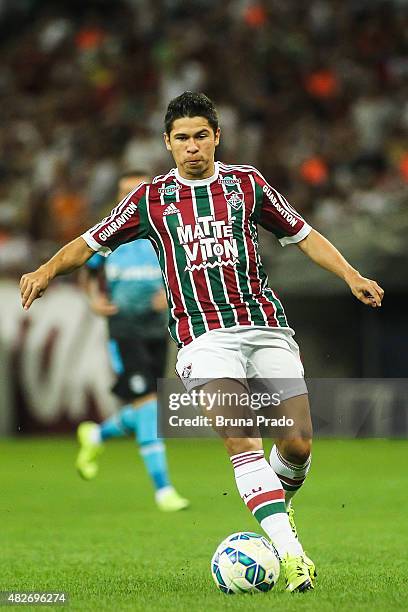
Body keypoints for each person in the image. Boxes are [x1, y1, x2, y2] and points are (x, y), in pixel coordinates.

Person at [20, 92, 384, 593]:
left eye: (200, 136)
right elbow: (88, 242)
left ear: (216, 136)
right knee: (242, 438)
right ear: (168, 144)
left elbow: (304, 234)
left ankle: (276, 511)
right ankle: (294, 555)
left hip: (265, 328)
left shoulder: (245, 186)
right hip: (202, 337)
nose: (192, 147)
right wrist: (45, 269)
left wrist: (351, 274)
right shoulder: (150, 199)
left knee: (297, 444)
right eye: (182, 139)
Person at [76, 170, 189, 512]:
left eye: (138, 192)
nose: (132, 199)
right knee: (148, 405)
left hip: (159, 328)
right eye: (125, 193)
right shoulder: (111, 235)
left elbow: (185, 270)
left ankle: (96, 435)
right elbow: (87, 268)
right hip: (124, 328)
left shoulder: (164, 232)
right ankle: (163, 489)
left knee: (146, 405)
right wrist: (92, 300)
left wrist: (171, 296)